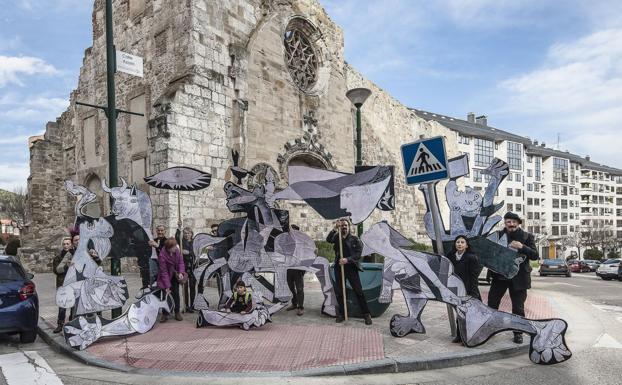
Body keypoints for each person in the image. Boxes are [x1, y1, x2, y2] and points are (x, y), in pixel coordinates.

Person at [487, 212, 539, 344]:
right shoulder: (498, 236)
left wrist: (522, 247)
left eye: (513, 222)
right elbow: (490, 255)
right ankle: (490, 329)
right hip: (500, 276)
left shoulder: (527, 237)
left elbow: (535, 256)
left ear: (518, 223)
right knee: (492, 304)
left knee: (518, 308)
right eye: (508, 222)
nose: (511, 224)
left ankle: (518, 333)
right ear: (505, 223)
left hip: (519, 277)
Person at [326, 218, 372, 325]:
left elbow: (358, 254)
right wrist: (334, 228)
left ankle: (366, 314)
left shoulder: (354, 239)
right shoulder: (337, 237)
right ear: (339, 227)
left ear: (349, 227)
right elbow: (328, 240)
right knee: (341, 292)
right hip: (339, 267)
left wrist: (347, 260)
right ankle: (342, 314)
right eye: (342, 225)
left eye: (346, 225)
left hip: (351, 268)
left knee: (358, 291)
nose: (344, 227)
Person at [446, 235, 482, 343]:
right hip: (456, 290)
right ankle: (459, 335)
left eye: (462, 242)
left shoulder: (472, 257)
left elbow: (474, 277)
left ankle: (468, 336)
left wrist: (473, 293)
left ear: (466, 245)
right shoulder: (450, 256)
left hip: (469, 290)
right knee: (459, 312)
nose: (460, 244)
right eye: (458, 242)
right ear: (455, 244)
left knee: (468, 315)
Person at [157, 238, 186, 322]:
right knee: (166, 294)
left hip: (175, 275)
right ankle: (165, 313)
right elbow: (164, 272)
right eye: (173, 247)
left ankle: (177, 312)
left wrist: (181, 272)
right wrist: (167, 286)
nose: (175, 248)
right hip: (165, 277)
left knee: (176, 293)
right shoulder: (162, 255)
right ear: (168, 248)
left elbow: (181, 262)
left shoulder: (177, 250)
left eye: (175, 246)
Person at [52, 237, 73, 333]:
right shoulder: (58, 257)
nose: (65, 245)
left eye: (68, 244)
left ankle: (72, 323)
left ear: (71, 244)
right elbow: (56, 270)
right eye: (64, 244)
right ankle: (60, 324)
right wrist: (66, 266)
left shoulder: (75, 255)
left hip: (73, 285)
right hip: (62, 285)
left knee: (74, 306)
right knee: (62, 306)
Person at [286, 224, 305, 316]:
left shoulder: (302, 243)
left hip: (298, 269)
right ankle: (294, 303)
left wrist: (303, 270)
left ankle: (300, 307)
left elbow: (306, 256)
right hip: (289, 268)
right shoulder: (287, 242)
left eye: (293, 231)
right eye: (290, 231)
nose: (291, 233)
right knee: (290, 288)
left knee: (300, 289)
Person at [177, 227, 197, 313]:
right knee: (184, 287)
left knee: (192, 287)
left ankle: (192, 305)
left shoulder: (195, 242)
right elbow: (177, 236)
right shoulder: (181, 242)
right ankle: (186, 305)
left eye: (188, 233)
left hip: (193, 267)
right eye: (185, 233)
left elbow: (197, 251)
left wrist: (189, 252)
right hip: (184, 267)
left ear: (191, 234)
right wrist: (178, 228)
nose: (186, 235)